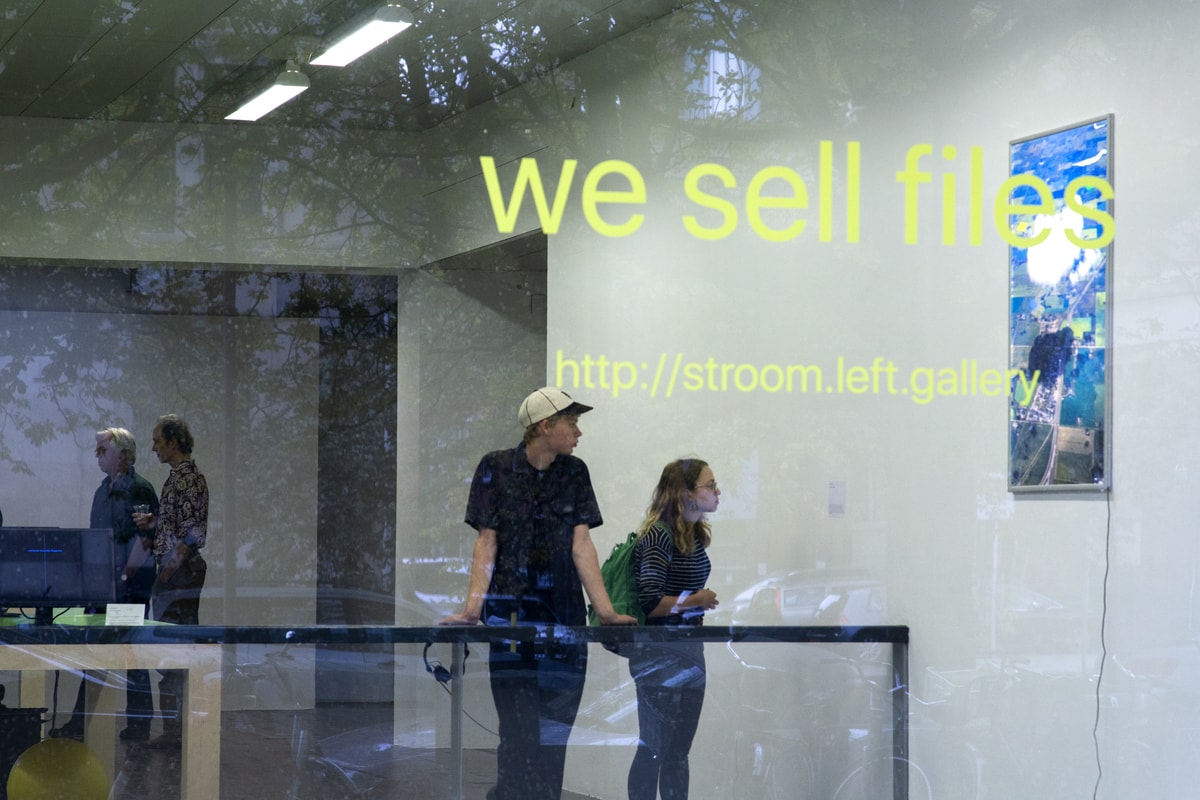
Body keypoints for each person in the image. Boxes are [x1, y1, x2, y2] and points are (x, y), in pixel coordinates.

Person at [440, 386, 637, 800]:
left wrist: (605, 612)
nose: (578, 432)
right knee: (516, 735)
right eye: (572, 422)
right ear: (545, 426)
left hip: (564, 622)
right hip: (511, 621)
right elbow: (486, 542)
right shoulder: (495, 467)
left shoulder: (574, 472)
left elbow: (582, 545)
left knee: (554, 735)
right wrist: (472, 610)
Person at [627, 458, 720, 800]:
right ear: (686, 493)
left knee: (678, 752)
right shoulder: (658, 535)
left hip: (689, 652)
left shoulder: (693, 535)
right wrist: (697, 600)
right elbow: (651, 602)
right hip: (659, 654)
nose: (717, 491)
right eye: (709, 485)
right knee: (653, 748)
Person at [134, 413, 209, 750]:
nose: (154, 448)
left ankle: (177, 734)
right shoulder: (180, 478)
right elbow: (182, 527)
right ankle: (175, 733)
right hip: (175, 573)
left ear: (174, 442)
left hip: (178, 575)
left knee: (175, 653)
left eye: (158, 441)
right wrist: (156, 523)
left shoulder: (189, 479)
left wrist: (167, 571)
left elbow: (193, 534)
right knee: (171, 654)